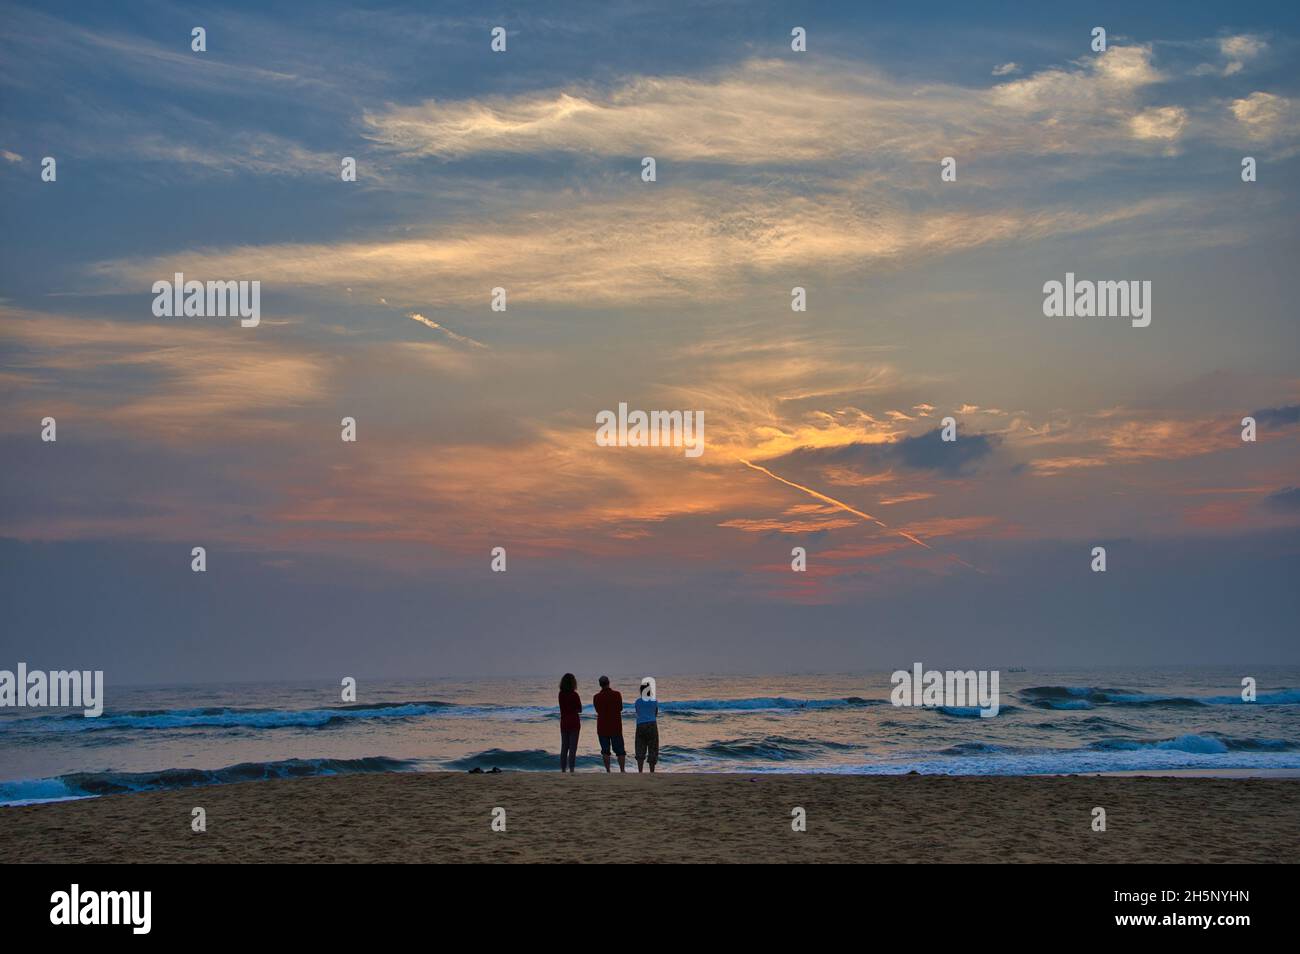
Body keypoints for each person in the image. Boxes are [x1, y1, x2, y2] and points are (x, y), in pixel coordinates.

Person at [592, 675, 626, 772]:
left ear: (600, 685)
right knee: (620, 751)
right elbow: (620, 708)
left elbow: (597, 710)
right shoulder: (617, 694)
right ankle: (622, 770)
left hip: (602, 727)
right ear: (609, 682)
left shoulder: (596, 697)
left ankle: (608, 771)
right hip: (615, 726)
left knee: (605, 751)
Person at [634, 678, 659, 773]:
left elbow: (637, 712)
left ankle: (640, 771)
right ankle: (651, 771)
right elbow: (655, 713)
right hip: (652, 724)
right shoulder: (654, 701)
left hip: (640, 725)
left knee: (640, 747)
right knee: (653, 748)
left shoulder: (638, 701)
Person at [558, 673, 581, 772]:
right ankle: (571, 769)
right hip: (574, 722)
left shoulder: (561, 694)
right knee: (572, 748)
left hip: (564, 722)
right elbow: (579, 709)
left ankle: (563, 769)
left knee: (564, 747)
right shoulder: (574, 695)